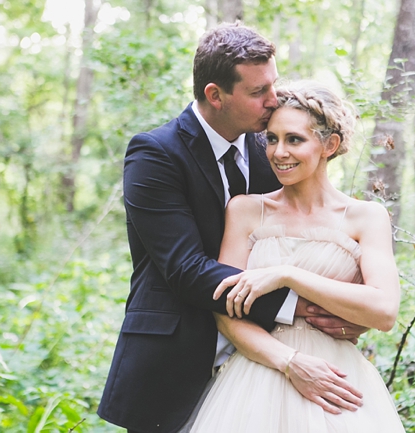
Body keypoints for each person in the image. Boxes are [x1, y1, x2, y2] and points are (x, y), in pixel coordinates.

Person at [97, 24, 367, 433]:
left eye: (273, 85)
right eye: (259, 92)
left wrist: (347, 308)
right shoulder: (155, 154)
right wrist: (299, 307)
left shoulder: (272, 149)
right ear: (215, 95)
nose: (273, 100)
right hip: (173, 363)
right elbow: (186, 269)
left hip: (260, 367)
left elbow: (311, 227)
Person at [188, 81, 405, 432]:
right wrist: (291, 363)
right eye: (272, 139)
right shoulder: (246, 211)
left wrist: (288, 275)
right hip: (257, 379)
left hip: (336, 381)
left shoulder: (366, 217)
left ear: (329, 145)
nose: (278, 152)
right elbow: (225, 313)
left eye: (294, 140)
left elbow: (383, 311)